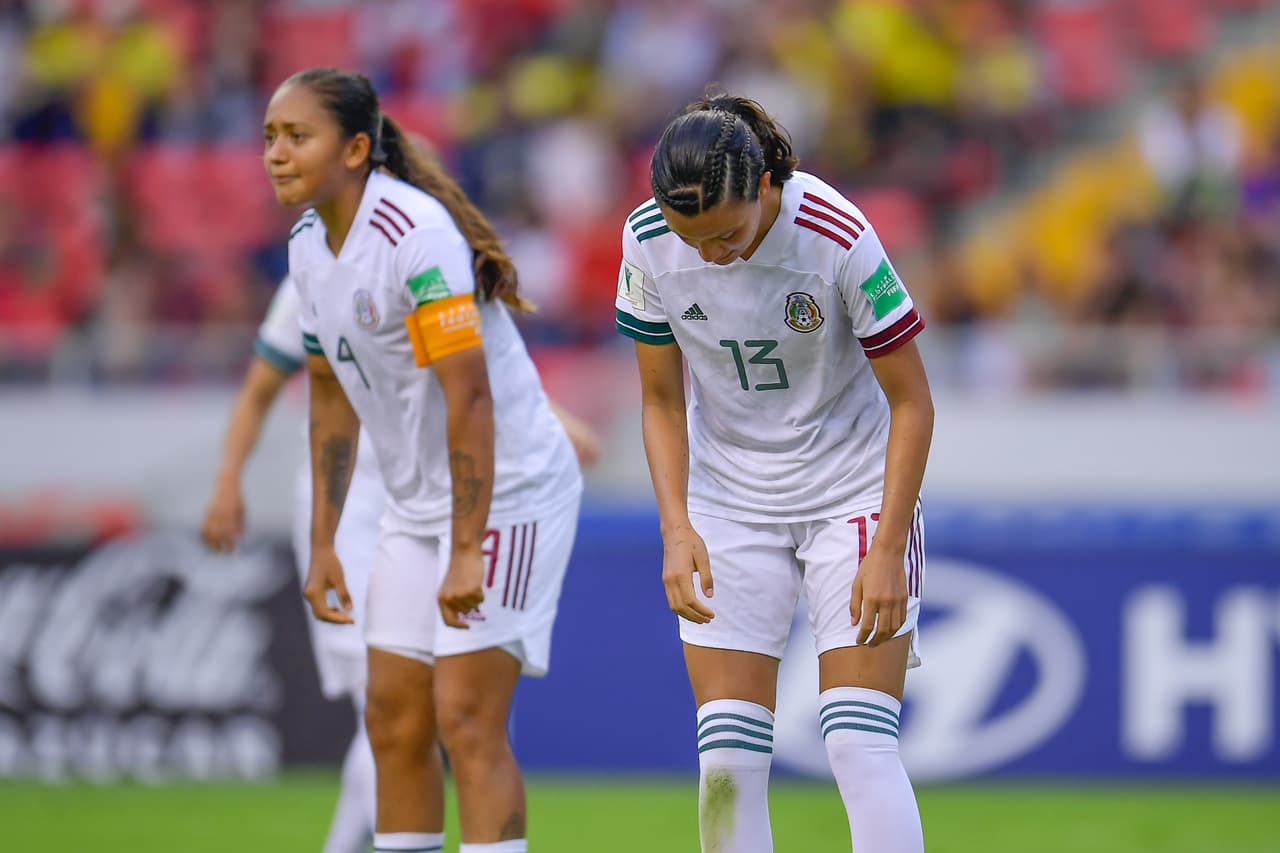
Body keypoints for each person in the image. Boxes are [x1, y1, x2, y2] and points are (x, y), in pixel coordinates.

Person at [262, 67, 583, 853]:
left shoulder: (414, 236)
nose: (275, 153)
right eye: (269, 136)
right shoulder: (308, 247)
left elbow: (470, 399)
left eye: (297, 136)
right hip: (414, 506)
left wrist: (469, 548)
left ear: (357, 148)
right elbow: (330, 395)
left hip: (507, 493)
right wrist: (326, 539)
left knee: (467, 719)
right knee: (391, 719)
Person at [615, 91, 934, 853]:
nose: (711, 255)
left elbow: (914, 403)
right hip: (728, 498)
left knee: (857, 741)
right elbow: (660, 402)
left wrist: (888, 544)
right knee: (726, 754)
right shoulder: (647, 238)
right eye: (695, 241)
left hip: (851, 490)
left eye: (726, 235)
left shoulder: (837, 234)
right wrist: (677, 526)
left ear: (764, 186)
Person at [202, 275, 384, 853]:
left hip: (423, 502)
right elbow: (260, 388)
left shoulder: (424, 249)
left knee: (399, 707)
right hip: (344, 508)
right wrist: (228, 481)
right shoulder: (313, 272)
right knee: (386, 703)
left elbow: (485, 365)